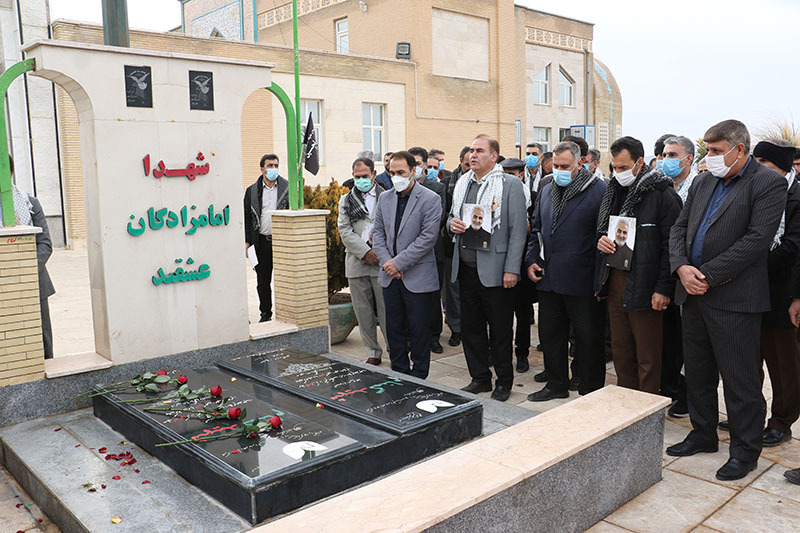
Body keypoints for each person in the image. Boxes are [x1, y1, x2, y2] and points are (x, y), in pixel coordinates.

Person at [667, 119, 787, 482]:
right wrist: (682, 268)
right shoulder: (703, 181)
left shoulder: (768, 183)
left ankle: (745, 450)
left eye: (717, 151)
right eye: (708, 150)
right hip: (692, 293)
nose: (711, 157)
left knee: (740, 380)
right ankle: (703, 434)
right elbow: (678, 228)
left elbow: (756, 240)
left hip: (734, 298)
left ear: (739, 149)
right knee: (698, 372)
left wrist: (707, 274)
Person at [719, 140, 800, 446]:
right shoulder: (750, 191)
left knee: (784, 365)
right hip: (746, 292)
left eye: (764, 165)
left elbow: (793, 248)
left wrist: (744, 260)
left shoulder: (795, 197)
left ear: (781, 169)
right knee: (746, 361)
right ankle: (749, 414)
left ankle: (782, 420)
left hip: (780, 293)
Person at [596, 136, 681, 394]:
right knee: (622, 352)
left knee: (648, 356)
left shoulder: (662, 195)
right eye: (614, 168)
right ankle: (626, 404)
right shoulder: (613, 193)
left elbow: (671, 247)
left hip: (647, 285)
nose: (618, 173)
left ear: (640, 162)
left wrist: (663, 288)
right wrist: (602, 242)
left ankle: (646, 409)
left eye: (623, 168)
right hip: (616, 280)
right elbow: (603, 231)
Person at [447, 135, 527, 401]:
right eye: (471, 150)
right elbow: (452, 217)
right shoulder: (462, 183)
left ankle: (504, 382)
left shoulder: (510, 185)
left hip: (496, 272)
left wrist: (512, 269)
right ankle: (480, 377)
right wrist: (452, 226)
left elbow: (517, 232)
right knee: (471, 329)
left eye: (480, 151)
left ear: (494, 156)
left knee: (501, 330)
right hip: (466, 270)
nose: (473, 155)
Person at [526, 141, 607, 401]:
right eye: (556, 165)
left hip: (582, 281)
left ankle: (590, 389)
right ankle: (556, 384)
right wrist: (530, 261)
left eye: (565, 166)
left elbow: (603, 238)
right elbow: (536, 230)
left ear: (580, 163)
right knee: (550, 336)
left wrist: (599, 282)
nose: (559, 170)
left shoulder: (599, 191)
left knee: (587, 340)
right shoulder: (547, 188)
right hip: (548, 277)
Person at [372, 151, 441, 379]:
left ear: (414, 171)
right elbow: (378, 234)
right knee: (394, 329)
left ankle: (420, 377)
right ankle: (399, 374)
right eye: (392, 172)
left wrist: (398, 264)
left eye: (401, 172)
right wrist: (388, 264)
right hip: (390, 276)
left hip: (417, 277)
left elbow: (427, 238)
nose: (396, 177)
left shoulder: (431, 199)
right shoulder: (385, 198)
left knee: (420, 331)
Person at [659, 135, 697, 417]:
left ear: (688, 159)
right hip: (667, 272)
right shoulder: (663, 187)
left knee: (689, 343)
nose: (666, 160)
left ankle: (688, 395)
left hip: (690, 273)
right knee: (670, 338)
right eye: (663, 154)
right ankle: (671, 387)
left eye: (673, 155)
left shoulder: (698, 186)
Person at [337, 157, 388, 366]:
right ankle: (373, 352)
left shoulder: (387, 197)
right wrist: (365, 252)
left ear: (374, 175)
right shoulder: (346, 200)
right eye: (357, 177)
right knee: (363, 311)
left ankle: (394, 350)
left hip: (382, 262)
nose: (361, 180)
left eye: (365, 177)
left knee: (387, 311)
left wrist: (378, 253)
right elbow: (344, 231)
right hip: (357, 262)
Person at [3, 156, 55, 359]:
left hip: (33, 282)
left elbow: (45, 244)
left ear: (10, 173)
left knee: (41, 340)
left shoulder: (29, 203)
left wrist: (21, 270)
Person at [410, 146, 447, 354]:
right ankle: (415, 335)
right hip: (408, 252)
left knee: (433, 296)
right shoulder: (402, 189)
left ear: (425, 165)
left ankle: (434, 336)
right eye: (411, 163)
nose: (415, 167)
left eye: (417, 163)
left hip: (432, 250)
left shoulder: (437, 188)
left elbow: (438, 218)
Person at [244, 154, 288, 322]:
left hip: (282, 242)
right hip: (261, 241)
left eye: (276, 165)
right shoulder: (252, 191)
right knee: (263, 281)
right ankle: (265, 313)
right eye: (270, 166)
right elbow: (247, 217)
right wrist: (247, 242)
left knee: (284, 279)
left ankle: (285, 313)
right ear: (262, 169)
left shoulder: (287, 188)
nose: (273, 169)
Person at [501, 157, 535, 372]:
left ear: (521, 175)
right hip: (500, 263)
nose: (506, 179)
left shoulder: (532, 197)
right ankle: (500, 353)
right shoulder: (497, 196)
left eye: (511, 174)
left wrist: (528, 227)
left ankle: (522, 353)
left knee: (523, 314)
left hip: (522, 264)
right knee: (501, 314)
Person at [440, 146, 471, 347]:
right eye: (467, 164)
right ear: (461, 161)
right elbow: (443, 213)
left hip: (473, 246)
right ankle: (456, 328)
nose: (470, 168)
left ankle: (470, 327)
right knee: (452, 290)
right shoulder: (447, 183)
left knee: (468, 291)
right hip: (450, 243)